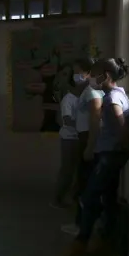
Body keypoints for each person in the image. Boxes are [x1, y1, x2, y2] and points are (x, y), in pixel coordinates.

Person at [60, 58, 129, 256]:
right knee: (108, 199)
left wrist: (122, 146)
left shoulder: (112, 99)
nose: (91, 77)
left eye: (94, 73)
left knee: (90, 197)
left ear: (106, 76)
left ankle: (80, 245)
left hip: (109, 156)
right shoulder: (119, 94)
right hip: (111, 155)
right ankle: (105, 244)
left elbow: (120, 126)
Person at [60, 57, 102, 235]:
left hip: (86, 139)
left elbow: (95, 120)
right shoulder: (84, 92)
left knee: (84, 184)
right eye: (74, 72)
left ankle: (82, 226)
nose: (76, 76)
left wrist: (89, 146)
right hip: (82, 137)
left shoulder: (92, 92)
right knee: (82, 182)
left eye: (78, 72)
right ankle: (81, 223)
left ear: (88, 72)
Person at [51, 73, 80, 209]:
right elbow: (67, 120)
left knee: (74, 170)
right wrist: (85, 125)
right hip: (69, 138)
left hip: (77, 137)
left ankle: (70, 198)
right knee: (67, 170)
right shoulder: (69, 99)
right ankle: (57, 199)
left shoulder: (81, 98)